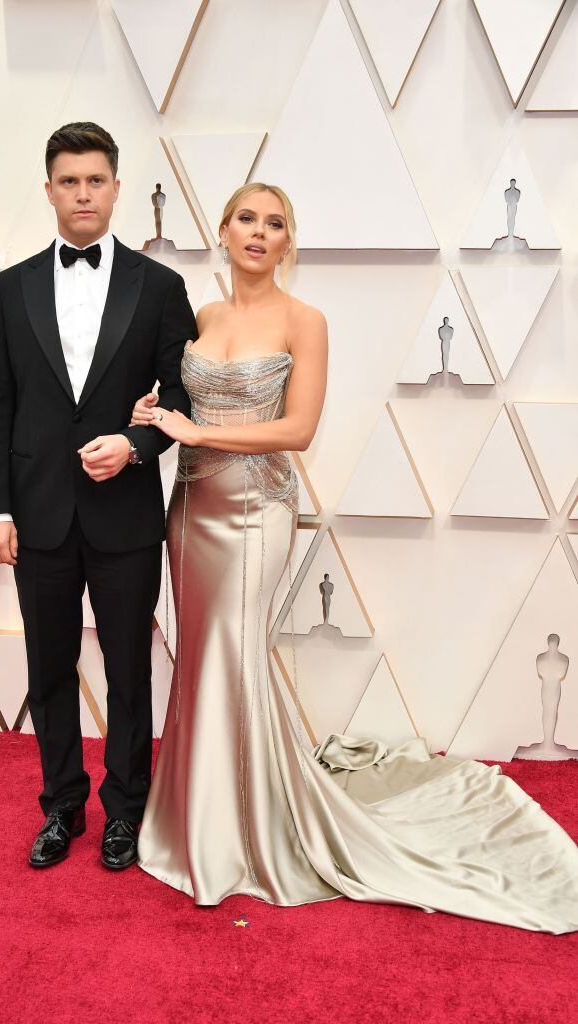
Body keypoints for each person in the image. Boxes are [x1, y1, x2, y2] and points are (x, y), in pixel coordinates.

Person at [129, 182, 578, 934]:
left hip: (256, 512)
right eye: (247, 219)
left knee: (235, 655)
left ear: (288, 243)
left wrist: (200, 433)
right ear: (224, 229)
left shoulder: (304, 320)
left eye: (276, 223)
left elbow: (298, 430)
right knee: (202, 658)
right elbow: (185, 407)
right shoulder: (202, 317)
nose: (259, 232)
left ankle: (245, 832)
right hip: (192, 511)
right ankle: (194, 819)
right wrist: (157, 415)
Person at [0, 122, 196, 870]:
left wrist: (135, 444)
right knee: (48, 668)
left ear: (115, 188)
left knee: (130, 669)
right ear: (48, 190)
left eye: (95, 180)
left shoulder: (159, 287)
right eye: (68, 181)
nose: (82, 193)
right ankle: (62, 806)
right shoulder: (9, 289)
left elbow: (183, 398)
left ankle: (126, 809)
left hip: (124, 514)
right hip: (35, 512)